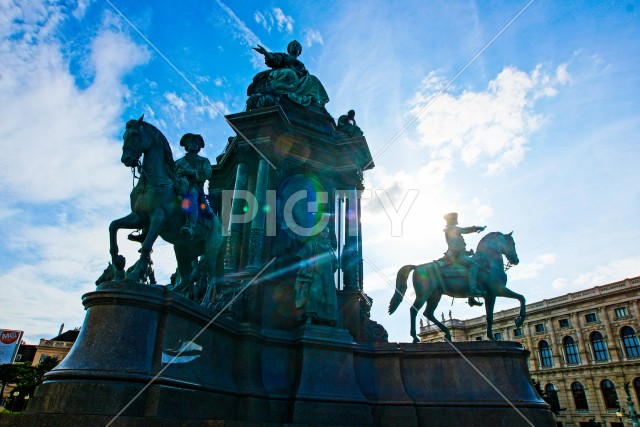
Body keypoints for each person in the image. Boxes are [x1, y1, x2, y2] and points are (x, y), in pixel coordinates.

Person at [249, 40, 329, 108]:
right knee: (290, 73)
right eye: (293, 45)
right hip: (282, 74)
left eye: (297, 46)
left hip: (298, 80)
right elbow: (274, 59)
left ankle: (314, 100)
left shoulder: (301, 65)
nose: (294, 46)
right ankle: (283, 92)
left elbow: (305, 75)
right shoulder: (284, 56)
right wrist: (266, 53)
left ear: (299, 51)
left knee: (313, 78)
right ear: (289, 48)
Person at [294, 227, 338, 326]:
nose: (325, 234)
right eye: (323, 231)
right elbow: (303, 258)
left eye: (327, 232)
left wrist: (333, 266)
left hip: (328, 276)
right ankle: (310, 317)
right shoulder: (313, 244)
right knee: (314, 292)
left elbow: (335, 263)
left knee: (329, 297)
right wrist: (304, 270)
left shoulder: (329, 248)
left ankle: (329, 319)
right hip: (316, 273)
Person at [442, 212, 486, 302]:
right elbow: (466, 230)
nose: (456, 220)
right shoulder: (452, 228)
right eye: (454, 219)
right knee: (474, 265)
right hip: (456, 256)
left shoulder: (449, 229)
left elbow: (456, 245)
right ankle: (472, 291)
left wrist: (467, 252)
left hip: (457, 254)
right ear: (451, 220)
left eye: (455, 218)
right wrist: (477, 228)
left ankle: (471, 299)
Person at [175, 133, 212, 239]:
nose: (195, 144)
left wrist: (189, 172)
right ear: (187, 145)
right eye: (192, 142)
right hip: (177, 186)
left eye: (197, 143)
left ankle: (190, 225)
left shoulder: (204, 161)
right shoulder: (178, 162)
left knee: (191, 195)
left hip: (194, 186)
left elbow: (207, 173)